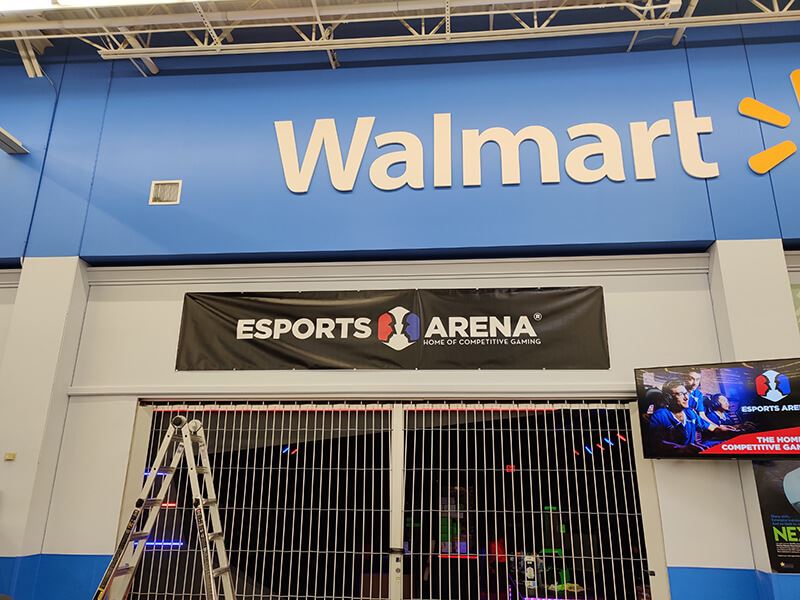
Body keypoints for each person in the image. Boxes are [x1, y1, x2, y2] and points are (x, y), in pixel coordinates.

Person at [648, 379, 735, 455]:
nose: (686, 398)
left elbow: (712, 428)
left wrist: (734, 431)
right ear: (668, 398)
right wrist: (682, 449)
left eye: (686, 394)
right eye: (681, 394)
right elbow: (657, 443)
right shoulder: (659, 416)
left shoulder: (690, 413)